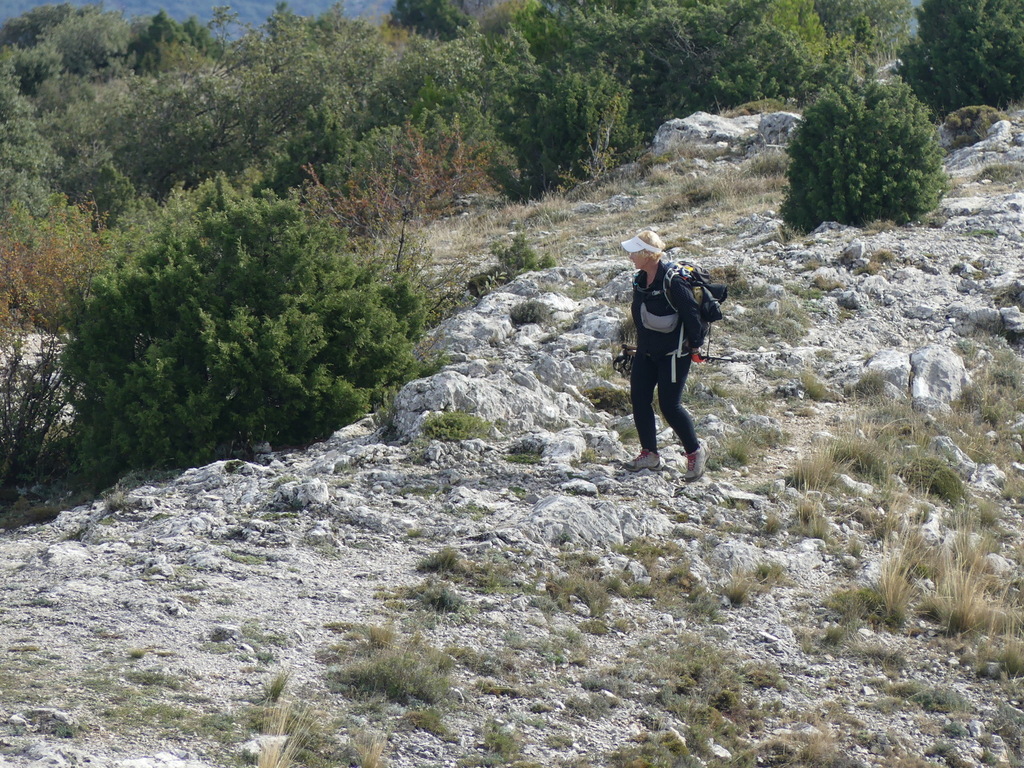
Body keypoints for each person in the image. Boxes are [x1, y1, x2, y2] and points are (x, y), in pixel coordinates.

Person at [621, 229, 709, 482]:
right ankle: (649, 454)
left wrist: (694, 347)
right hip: (646, 351)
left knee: (670, 406)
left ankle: (695, 451)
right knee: (639, 399)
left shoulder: (673, 281)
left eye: (633, 252)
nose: (630, 257)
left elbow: (692, 316)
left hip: (674, 354)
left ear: (647, 254)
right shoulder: (640, 279)